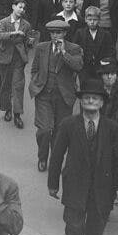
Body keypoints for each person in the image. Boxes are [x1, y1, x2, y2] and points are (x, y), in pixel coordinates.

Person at [48, 78, 118, 235]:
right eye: (86, 98)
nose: (90, 101)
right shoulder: (69, 124)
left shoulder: (112, 128)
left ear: (102, 102)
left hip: (101, 193)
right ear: (81, 101)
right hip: (75, 190)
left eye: (95, 98)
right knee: (74, 234)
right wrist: (53, 184)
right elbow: (57, 155)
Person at [29, 19, 83, 172]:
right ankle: (42, 157)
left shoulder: (74, 48)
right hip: (44, 94)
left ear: (65, 33)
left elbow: (78, 66)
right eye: (52, 32)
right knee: (44, 130)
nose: (55, 36)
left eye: (58, 32)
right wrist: (36, 83)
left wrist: (64, 53)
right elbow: (34, 69)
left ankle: (55, 160)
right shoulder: (41, 48)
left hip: (64, 96)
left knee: (60, 132)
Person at [0, 0, 33, 129]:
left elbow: (28, 40)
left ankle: (17, 114)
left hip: (19, 59)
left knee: (18, 86)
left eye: (24, 8)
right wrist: (13, 33)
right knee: (6, 85)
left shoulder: (26, 24)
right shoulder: (4, 22)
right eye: (20, 7)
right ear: (13, 7)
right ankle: (7, 109)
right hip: (5, 57)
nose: (22, 10)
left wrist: (29, 43)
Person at [72, 6, 114, 82]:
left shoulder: (106, 34)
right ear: (85, 20)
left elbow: (111, 52)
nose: (92, 22)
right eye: (89, 20)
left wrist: (106, 65)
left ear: (99, 20)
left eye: (95, 20)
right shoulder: (80, 33)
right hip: (84, 68)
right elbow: (74, 49)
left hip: (100, 68)